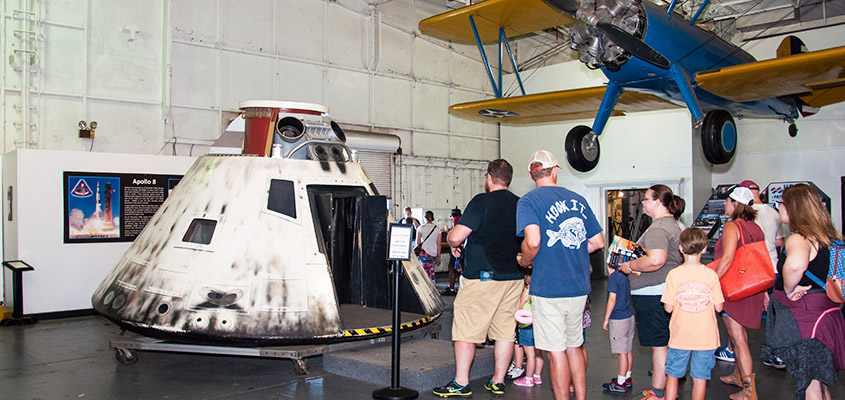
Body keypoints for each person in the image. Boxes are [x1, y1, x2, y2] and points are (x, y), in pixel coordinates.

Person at [516, 150, 604, 400]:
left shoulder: (529, 201)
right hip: (578, 287)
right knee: (574, 346)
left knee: (555, 352)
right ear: (554, 172)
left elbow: (532, 242)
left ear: (532, 174)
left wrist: (525, 260)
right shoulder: (577, 199)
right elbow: (597, 241)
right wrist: (571, 249)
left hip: (549, 287)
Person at [432, 159, 524, 398]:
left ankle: (461, 383)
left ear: (488, 178)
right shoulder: (520, 204)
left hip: (483, 277)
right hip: (513, 277)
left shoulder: (481, 202)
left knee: (465, 330)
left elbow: (456, 236)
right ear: (509, 179)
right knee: (505, 332)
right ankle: (498, 381)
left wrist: (454, 243)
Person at [767, 184, 845, 400]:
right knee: (820, 381)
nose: (779, 207)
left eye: (781, 203)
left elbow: (794, 266)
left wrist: (790, 289)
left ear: (791, 208)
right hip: (827, 313)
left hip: (806, 318)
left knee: (809, 383)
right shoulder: (828, 237)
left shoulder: (799, 238)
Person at [617, 184, 683, 400]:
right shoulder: (672, 225)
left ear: (657, 202)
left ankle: (659, 392)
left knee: (659, 346)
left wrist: (629, 266)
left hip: (654, 293)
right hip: (663, 292)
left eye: (646, 199)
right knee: (664, 343)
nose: (643, 203)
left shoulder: (657, 229)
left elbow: (656, 260)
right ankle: (662, 388)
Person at [713, 186, 767, 400]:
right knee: (740, 336)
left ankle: (748, 389)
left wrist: (711, 281)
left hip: (734, 289)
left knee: (737, 337)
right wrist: (764, 292)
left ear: (735, 203)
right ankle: (738, 375)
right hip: (751, 287)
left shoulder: (731, 226)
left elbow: (727, 259)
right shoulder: (755, 227)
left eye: (727, 201)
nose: (725, 205)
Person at [661, 228, 725, 400]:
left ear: (681, 248)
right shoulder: (711, 274)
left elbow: (668, 308)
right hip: (706, 338)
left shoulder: (674, 274)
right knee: (700, 379)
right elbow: (719, 307)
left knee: (673, 375)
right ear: (704, 249)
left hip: (680, 336)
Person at [738, 179, 787, 369]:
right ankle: (777, 354)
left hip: (755, 269)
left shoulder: (747, 215)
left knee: (742, 314)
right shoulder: (775, 212)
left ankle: (736, 351)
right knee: (774, 314)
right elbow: (780, 242)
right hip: (773, 268)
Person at [602, 264, 635, 393]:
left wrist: (606, 318)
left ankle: (620, 382)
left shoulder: (614, 278)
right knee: (628, 349)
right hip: (629, 315)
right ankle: (627, 377)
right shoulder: (624, 275)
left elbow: (612, 298)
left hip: (618, 319)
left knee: (622, 352)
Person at [513, 273, 545, 387]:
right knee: (539, 354)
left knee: (530, 355)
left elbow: (519, 309)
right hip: (539, 326)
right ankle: (537, 376)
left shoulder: (526, 293)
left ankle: (528, 378)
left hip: (526, 327)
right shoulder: (541, 293)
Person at [442, 208, 462, 295]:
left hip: (458, 247)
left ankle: (452, 288)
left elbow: (456, 232)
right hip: (462, 246)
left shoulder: (456, 220)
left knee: (452, 267)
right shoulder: (462, 219)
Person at [416, 210, 441, 283]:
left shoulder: (420, 228)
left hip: (423, 253)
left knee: (424, 272)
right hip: (433, 253)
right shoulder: (437, 229)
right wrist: (438, 256)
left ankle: (425, 287)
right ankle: (432, 285)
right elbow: (439, 244)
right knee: (430, 269)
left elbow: (418, 242)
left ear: (424, 217)